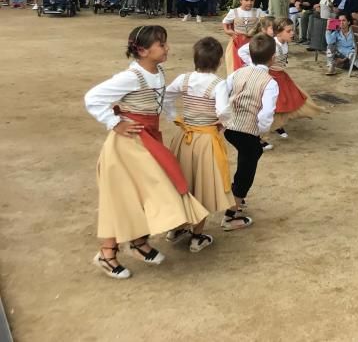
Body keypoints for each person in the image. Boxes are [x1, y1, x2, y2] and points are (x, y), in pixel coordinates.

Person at [84, 25, 209, 279]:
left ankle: (139, 242)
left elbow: (160, 103)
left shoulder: (158, 71)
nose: (167, 48)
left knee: (145, 194)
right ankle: (107, 253)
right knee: (124, 197)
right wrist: (115, 122)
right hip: (128, 146)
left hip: (147, 140)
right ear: (142, 50)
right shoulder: (131, 76)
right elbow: (93, 98)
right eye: (161, 45)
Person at [164, 37, 235, 252]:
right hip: (206, 140)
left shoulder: (184, 78)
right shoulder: (218, 84)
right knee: (203, 187)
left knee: (182, 182)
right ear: (220, 61)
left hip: (184, 138)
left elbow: (165, 96)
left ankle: (175, 228)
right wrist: (224, 123)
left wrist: (174, 116)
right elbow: (223, 111)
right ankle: (196, 237)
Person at [222, 33, 279, 231]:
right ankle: (231, 212)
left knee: (248, 157)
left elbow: (223, 91)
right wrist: (261, 132)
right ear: (273, 57)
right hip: (248, 129)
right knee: (248, 164)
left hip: (230, 126)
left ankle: (236, 197)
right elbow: (266, 113)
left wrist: (224, 115)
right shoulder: (270, 82)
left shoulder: (237, 73)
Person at [222, 0, 265, 74]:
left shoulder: (258, 12)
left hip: (254, 42)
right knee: (237, 65)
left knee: (253, 65)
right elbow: (225, 23)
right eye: (246, 0)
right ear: (240, 0)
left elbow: (266, 23)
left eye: (252, 0)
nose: (249, 3)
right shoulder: (234, 12)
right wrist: (229, 32)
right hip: (237, 42)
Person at [325, 13, 358, 77]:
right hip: (340, 54)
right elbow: (329, 42)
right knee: (330, 46)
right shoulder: (337, 31)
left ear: (348, 22)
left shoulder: (354, 32)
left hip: (351, 55)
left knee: (351, 54)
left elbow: (355, 49)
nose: (341, 23)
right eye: (339, 21)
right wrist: (328, 29)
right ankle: (331, 67)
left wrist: (343, 60)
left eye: (344, 20)